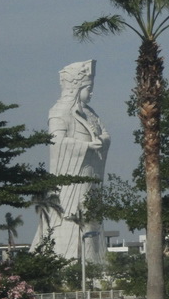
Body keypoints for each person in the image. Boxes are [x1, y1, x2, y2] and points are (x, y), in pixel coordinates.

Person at [31, 60, 110, 263]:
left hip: (91, 173)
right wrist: (85, 145)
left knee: (92, 215)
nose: (91, 93)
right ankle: (70, 261)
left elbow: (105, 133)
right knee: (75, 214)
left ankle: (94, 261)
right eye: (88, 88)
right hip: (73, 176)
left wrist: (102, 141)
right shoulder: (59, 111)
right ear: (76, 88)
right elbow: (56, 142)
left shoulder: (91, 113)